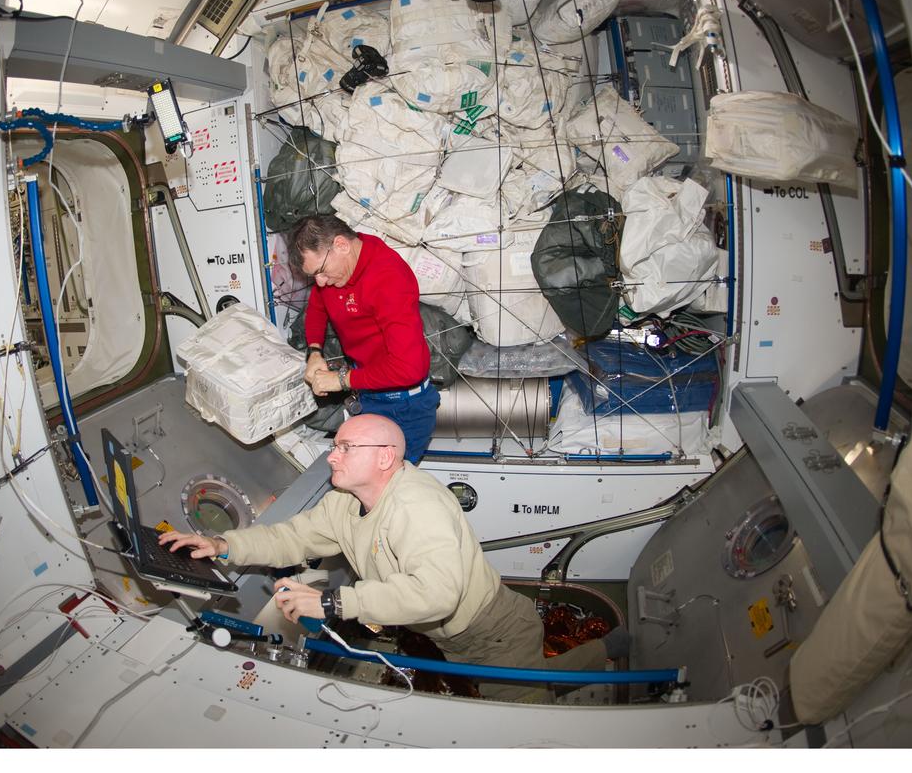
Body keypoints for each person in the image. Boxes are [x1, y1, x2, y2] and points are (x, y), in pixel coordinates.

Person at [159, 414, 629, 703]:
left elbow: (437, 594)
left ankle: (609, 649)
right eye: (334, 446)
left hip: (495, 630)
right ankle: (610, 649)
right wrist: (226, 546)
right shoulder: (345, 501)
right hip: (453, 637)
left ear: (385, 457)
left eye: (345, 448)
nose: (332, 458)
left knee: (519, 727)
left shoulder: (416, 505)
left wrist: (332, 603)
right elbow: (294, 537)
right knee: (534, 677)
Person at [288, 214, 439, 464]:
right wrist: (314, 352)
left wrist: (341, 380)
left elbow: (408, 369)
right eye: (313, 277)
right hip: (368, 392)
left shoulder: (388, 278)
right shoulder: (337, 273)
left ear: (341, 245)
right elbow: (317, 306)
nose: (321, 282)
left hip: (404, 407)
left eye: (321, 272)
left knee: (385, 491)